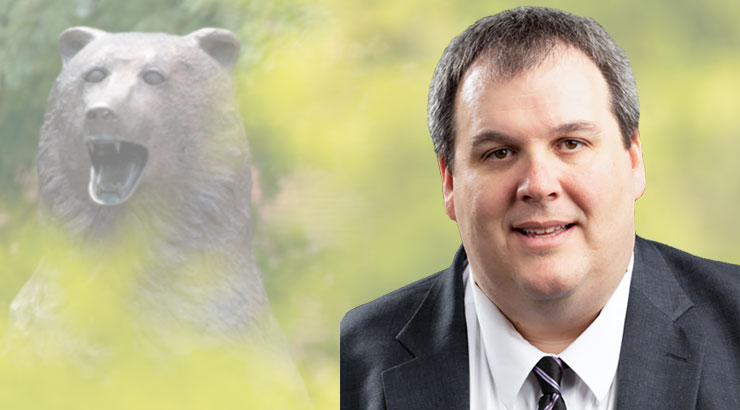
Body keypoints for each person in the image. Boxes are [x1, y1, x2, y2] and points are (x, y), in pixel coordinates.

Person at [341, 6, 740, 410]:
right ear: (449, 182)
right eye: (499, 153)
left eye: (571, 143)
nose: (539, 186)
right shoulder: (355, 361)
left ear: (634, 159)